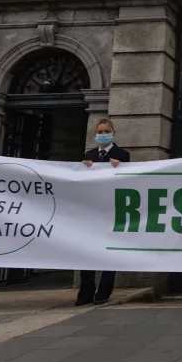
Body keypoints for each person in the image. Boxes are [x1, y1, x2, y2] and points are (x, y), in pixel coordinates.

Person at [77, 119, 129, 306]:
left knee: (109, 252)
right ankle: (86, 290)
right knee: (87, 252)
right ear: (95, 134)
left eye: (106, 130)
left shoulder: (122, 154)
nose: (103, 134)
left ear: (113, 133)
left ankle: (104, 291)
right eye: (100, 131)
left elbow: (128, 180)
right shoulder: (89, 155)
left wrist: (120, 167)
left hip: (112, 210)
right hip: (91, 211)